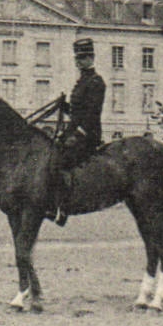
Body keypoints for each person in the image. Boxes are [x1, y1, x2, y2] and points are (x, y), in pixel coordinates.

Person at [53, 38, 106, 226]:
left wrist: (73, 134)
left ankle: (64, 207)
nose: (79, 61)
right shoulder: (82, 80)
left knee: (62, 160)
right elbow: (77, 112)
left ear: (92, 58)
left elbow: (91, 113)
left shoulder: (96, 81)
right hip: (77, 130)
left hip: (88, 133)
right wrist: (64, 106)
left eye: (83, 57)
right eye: (77, 57)